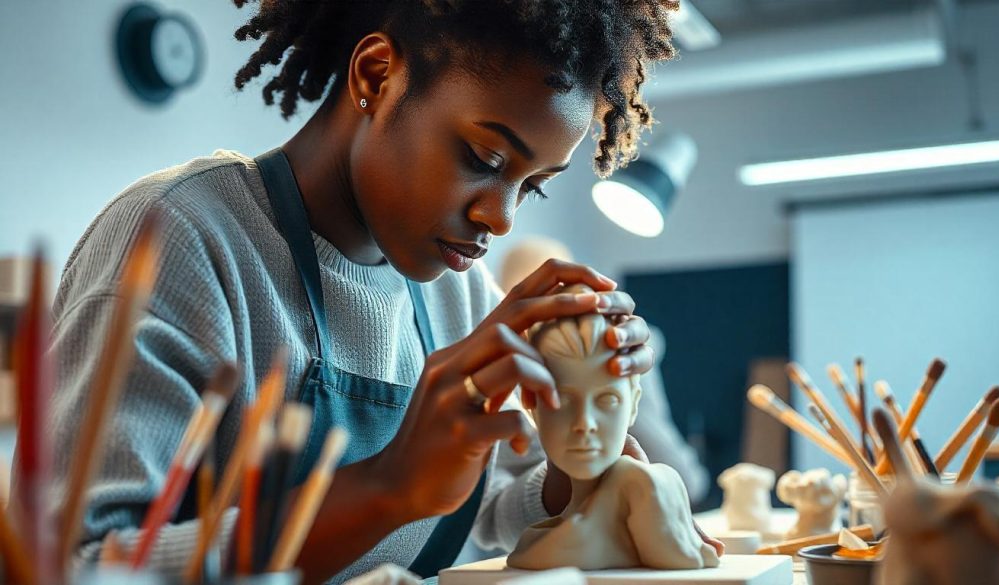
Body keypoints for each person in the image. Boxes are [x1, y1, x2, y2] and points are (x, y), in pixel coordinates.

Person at [12, 1, 719, 583]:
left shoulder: (457, 295)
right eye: (483, 158)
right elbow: (64, 566)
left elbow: (489, 513)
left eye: (530, 186)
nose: (500, 219)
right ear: (377, 75)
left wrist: (577, 453)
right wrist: (385, 486)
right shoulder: (178, 241)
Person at [507, 285, 720, 570]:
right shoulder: (541, 540)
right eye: (563, 399)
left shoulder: (646, 486)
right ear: (531, 404)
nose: (584, 423)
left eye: (607, 400)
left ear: (634, 405)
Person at [498, 236, 710, 503]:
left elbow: (681, 475)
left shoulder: (616, 357)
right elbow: (492, 510)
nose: (585, 423)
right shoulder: (501, 372)